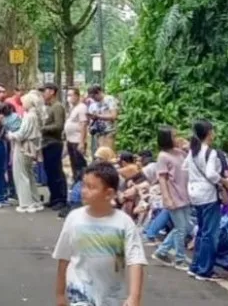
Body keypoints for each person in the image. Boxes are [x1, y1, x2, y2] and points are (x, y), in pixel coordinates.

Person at [53, 162, 147, 306]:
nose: (84, 191)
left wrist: (134, 297)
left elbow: (135, 261)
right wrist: (60, 294)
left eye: (91, 187)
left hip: (112, 295)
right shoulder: (74, 219)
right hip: (80, 292)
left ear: (109, 193)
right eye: (84, 185)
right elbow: (64, 257)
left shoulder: (124, 222)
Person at [185, 119, 228, 281]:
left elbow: (185, 168)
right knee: (211, 234)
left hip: (195, 194)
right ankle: (205, 270)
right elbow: (211, 174)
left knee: (202, 231)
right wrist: (224, 181)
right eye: (213, 131)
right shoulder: (210, 152)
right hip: (208, 195)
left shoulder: (193, 151)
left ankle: (196, 266)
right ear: (209, 133)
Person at [151, 125, 192, 271]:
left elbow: (190, 161)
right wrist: (167, 198)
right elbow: (162, 179)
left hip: (185, 195)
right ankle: (180, 259)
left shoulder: (179, 152)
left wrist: (187, 147)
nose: (177, 138)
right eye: (174, 136)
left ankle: (161, 251)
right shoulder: (163, 156)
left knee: (184, 227)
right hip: (174, 196)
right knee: (181, 229)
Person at [7, 92, 44, 213]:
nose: (22, 104)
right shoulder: (36, 115)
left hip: (23, 146)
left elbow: (22, 134)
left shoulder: (29, 116)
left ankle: (25, 203)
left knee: (21, 174)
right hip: (31, 147)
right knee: (29, 174)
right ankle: (35, 200)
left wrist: (11, 135)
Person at [40, 83, 68, 211]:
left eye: (44, 91)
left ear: (52, 92)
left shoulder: (57, 107)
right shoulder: (50, 107)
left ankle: (60, 199)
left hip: (53, 143)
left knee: (56, 171)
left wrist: (42, 129)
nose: (43, 94)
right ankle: (54, 197)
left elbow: (58, 125)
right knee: (50, 172)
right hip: (47, 143)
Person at [64, 87, 88, 183]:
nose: (69, 97)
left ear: (77, 96)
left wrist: (81, 142)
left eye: (71, 95)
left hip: (77, 140)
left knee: (79, 163)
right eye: (68, 95)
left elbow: (83, 124)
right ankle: (76, 181)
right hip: (70, 140)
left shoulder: (82, 107)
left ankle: (82, 182)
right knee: (73, 162)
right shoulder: (73, 108)